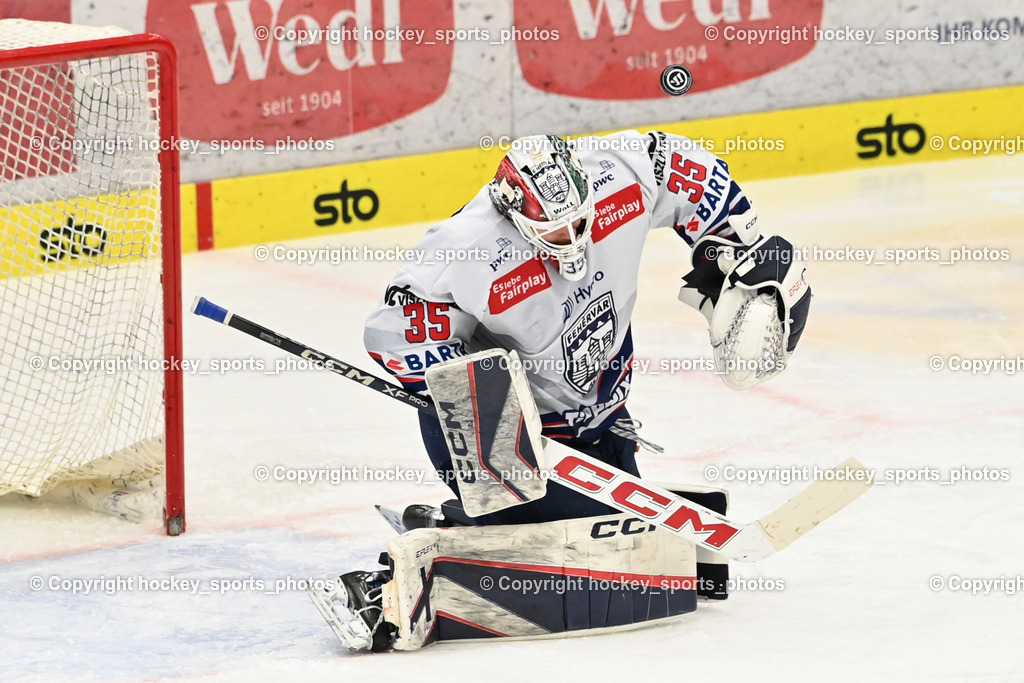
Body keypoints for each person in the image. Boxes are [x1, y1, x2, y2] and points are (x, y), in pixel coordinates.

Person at [314, 130, 811, 651]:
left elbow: (682, 164)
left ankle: (463, 527)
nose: (572, 238)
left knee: (631, 547)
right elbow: (390, 330)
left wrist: (741, 244)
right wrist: (480, 387)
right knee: (610, 565)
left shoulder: (618, 173)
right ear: (514, 213)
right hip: (508, 442)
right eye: (554, 232)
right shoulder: (463, 247)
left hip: (600, 419)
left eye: (580, 221)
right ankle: (403, 581)